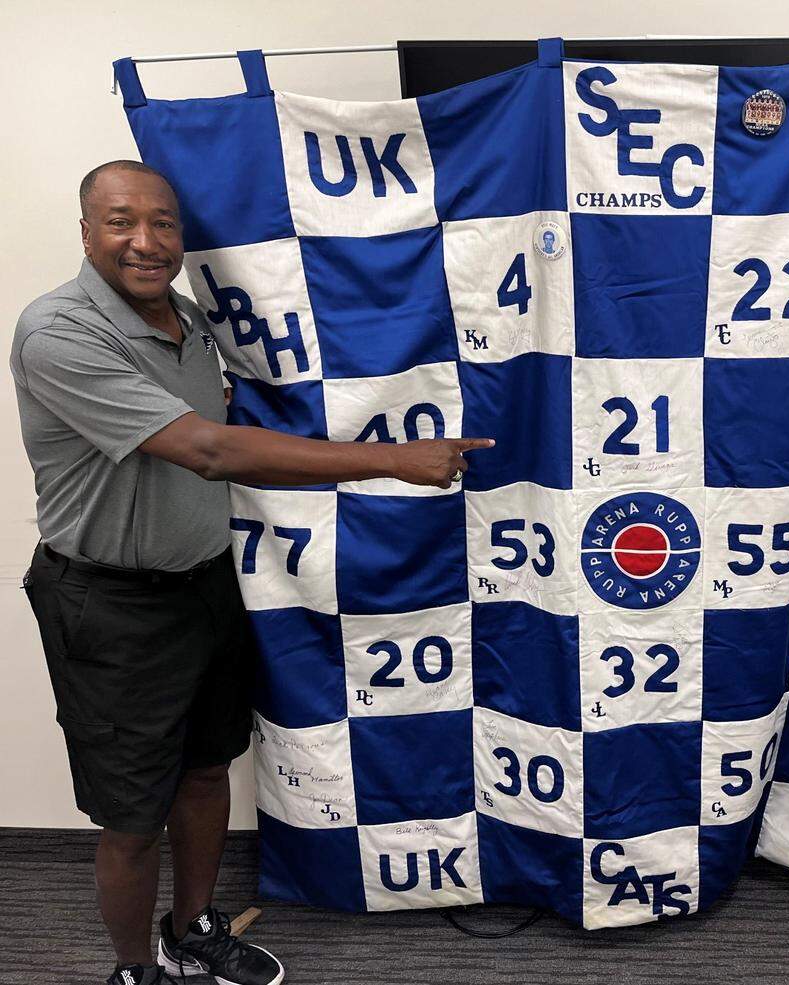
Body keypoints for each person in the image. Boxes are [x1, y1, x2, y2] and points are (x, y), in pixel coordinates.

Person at [10, 160, 494, 985]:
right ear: (86, 230)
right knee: (131, 815)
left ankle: (193, 926)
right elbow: (206, 448)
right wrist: (391, 460)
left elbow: (232, 460)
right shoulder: (58, 332)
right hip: (109, 604)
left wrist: (369, 468)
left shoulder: (190, 320)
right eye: (122, 221)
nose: (146, 241)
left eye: (163, 222)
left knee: (206, 768)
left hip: (202, 583)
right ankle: (135, 969)